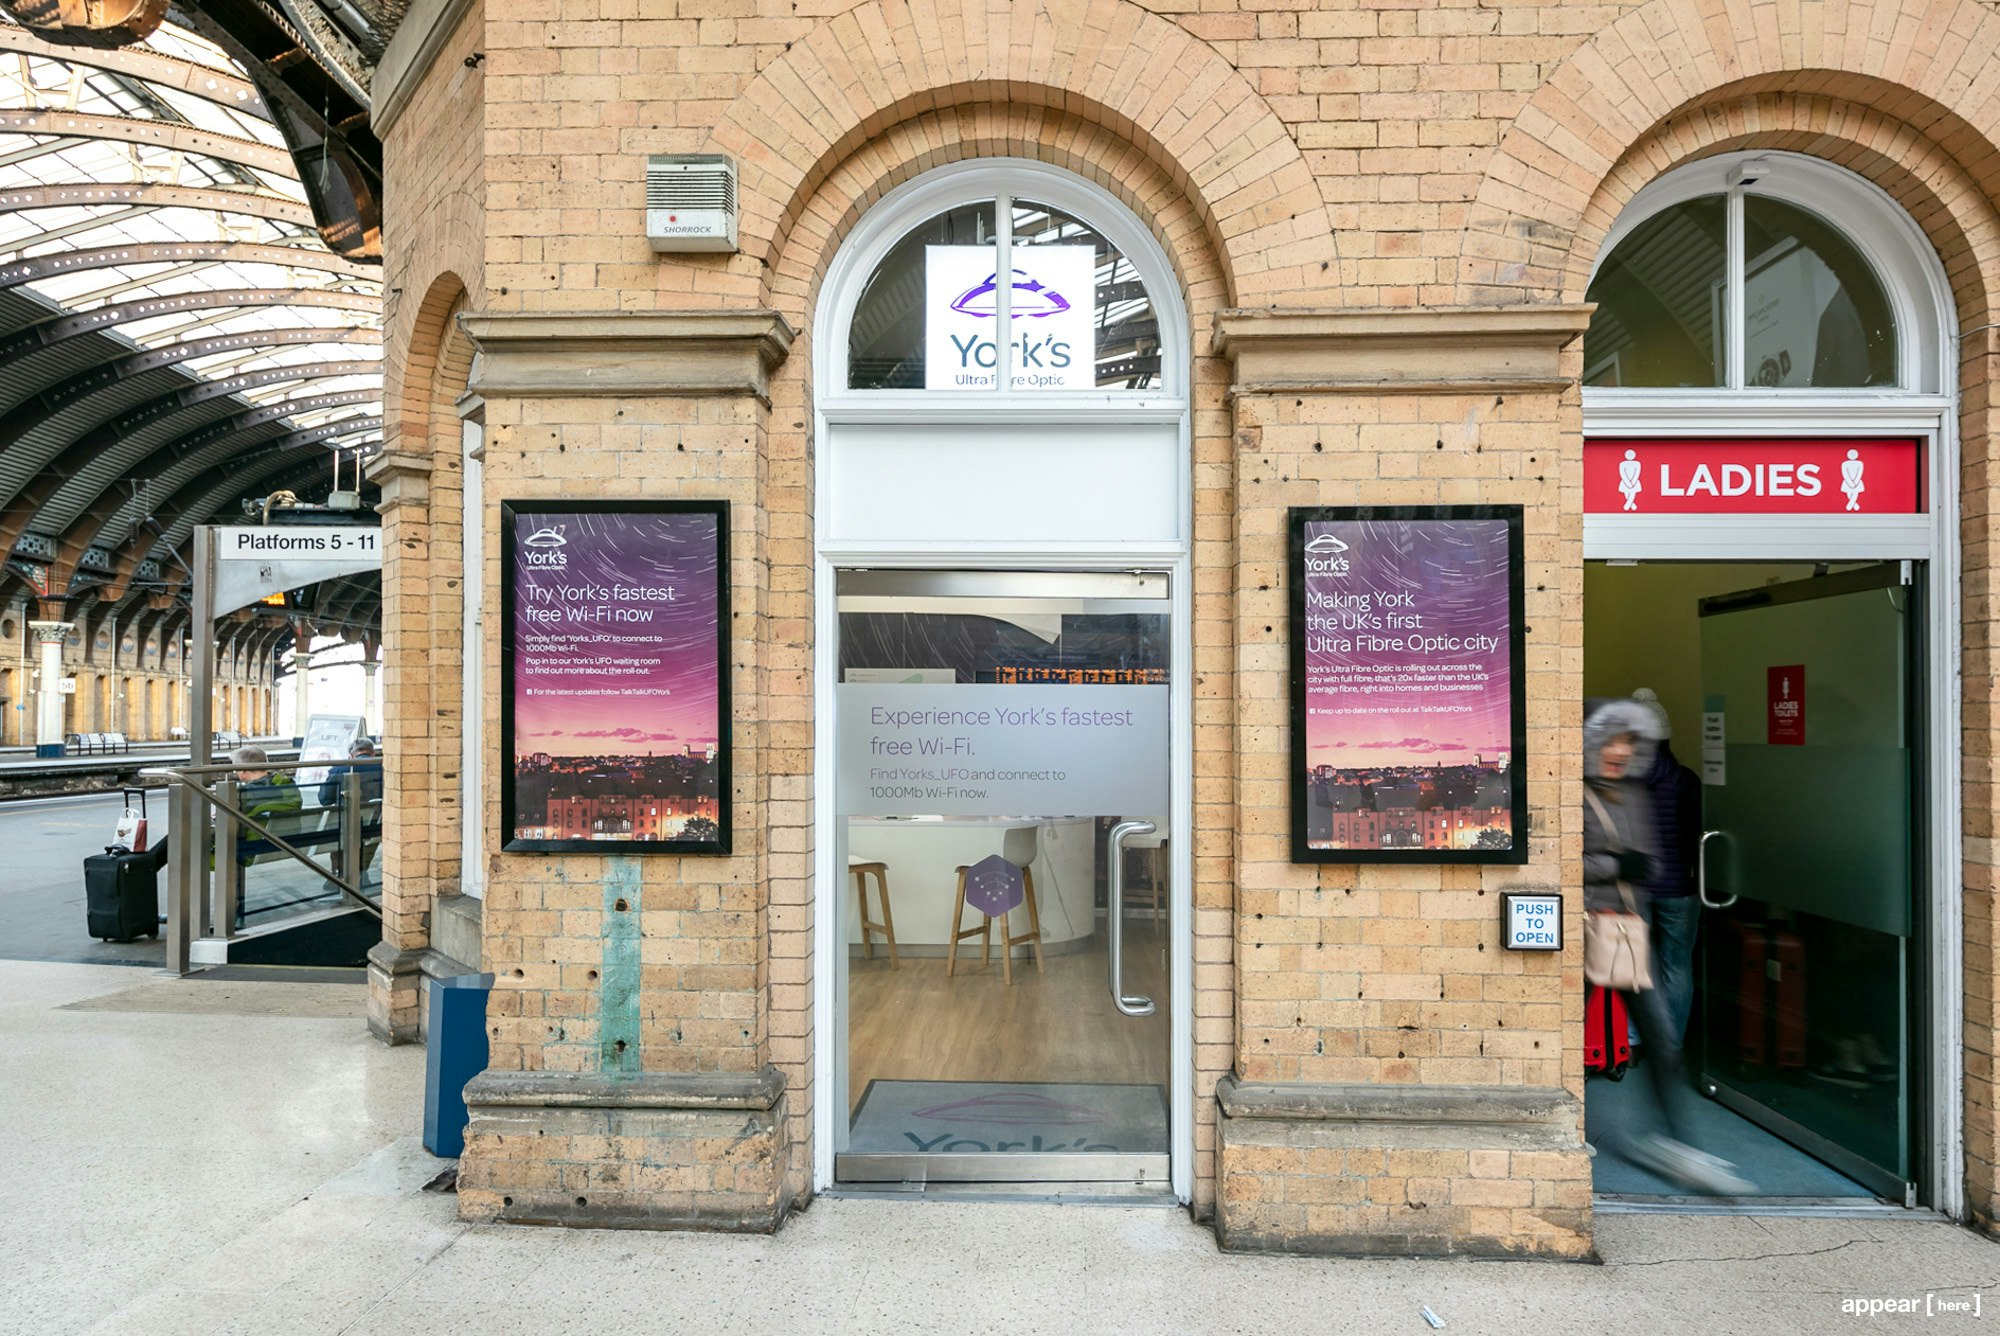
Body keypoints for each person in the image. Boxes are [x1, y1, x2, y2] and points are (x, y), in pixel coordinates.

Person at [1584, 697, 1751, 1195]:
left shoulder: (1632, 794)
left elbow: (1651, 859)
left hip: (1623, 932)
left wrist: (1635, 875)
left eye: (1627, 743)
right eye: (1611, 741)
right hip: (1584, 929)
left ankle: (1676, 1142)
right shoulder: (1574, 793)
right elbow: (1561, 859)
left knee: (1658, 1036)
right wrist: (1617, 868)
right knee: (1564, 1036)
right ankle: (1564, 1125)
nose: (1618, 751)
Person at [1631, 687, 1703, 1046]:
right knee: (1677, 966)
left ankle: (1635, 1039)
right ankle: (1672, 1042)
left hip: (1637, 886)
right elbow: (1695, 834)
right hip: (1679, 886)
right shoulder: (1686, 780)